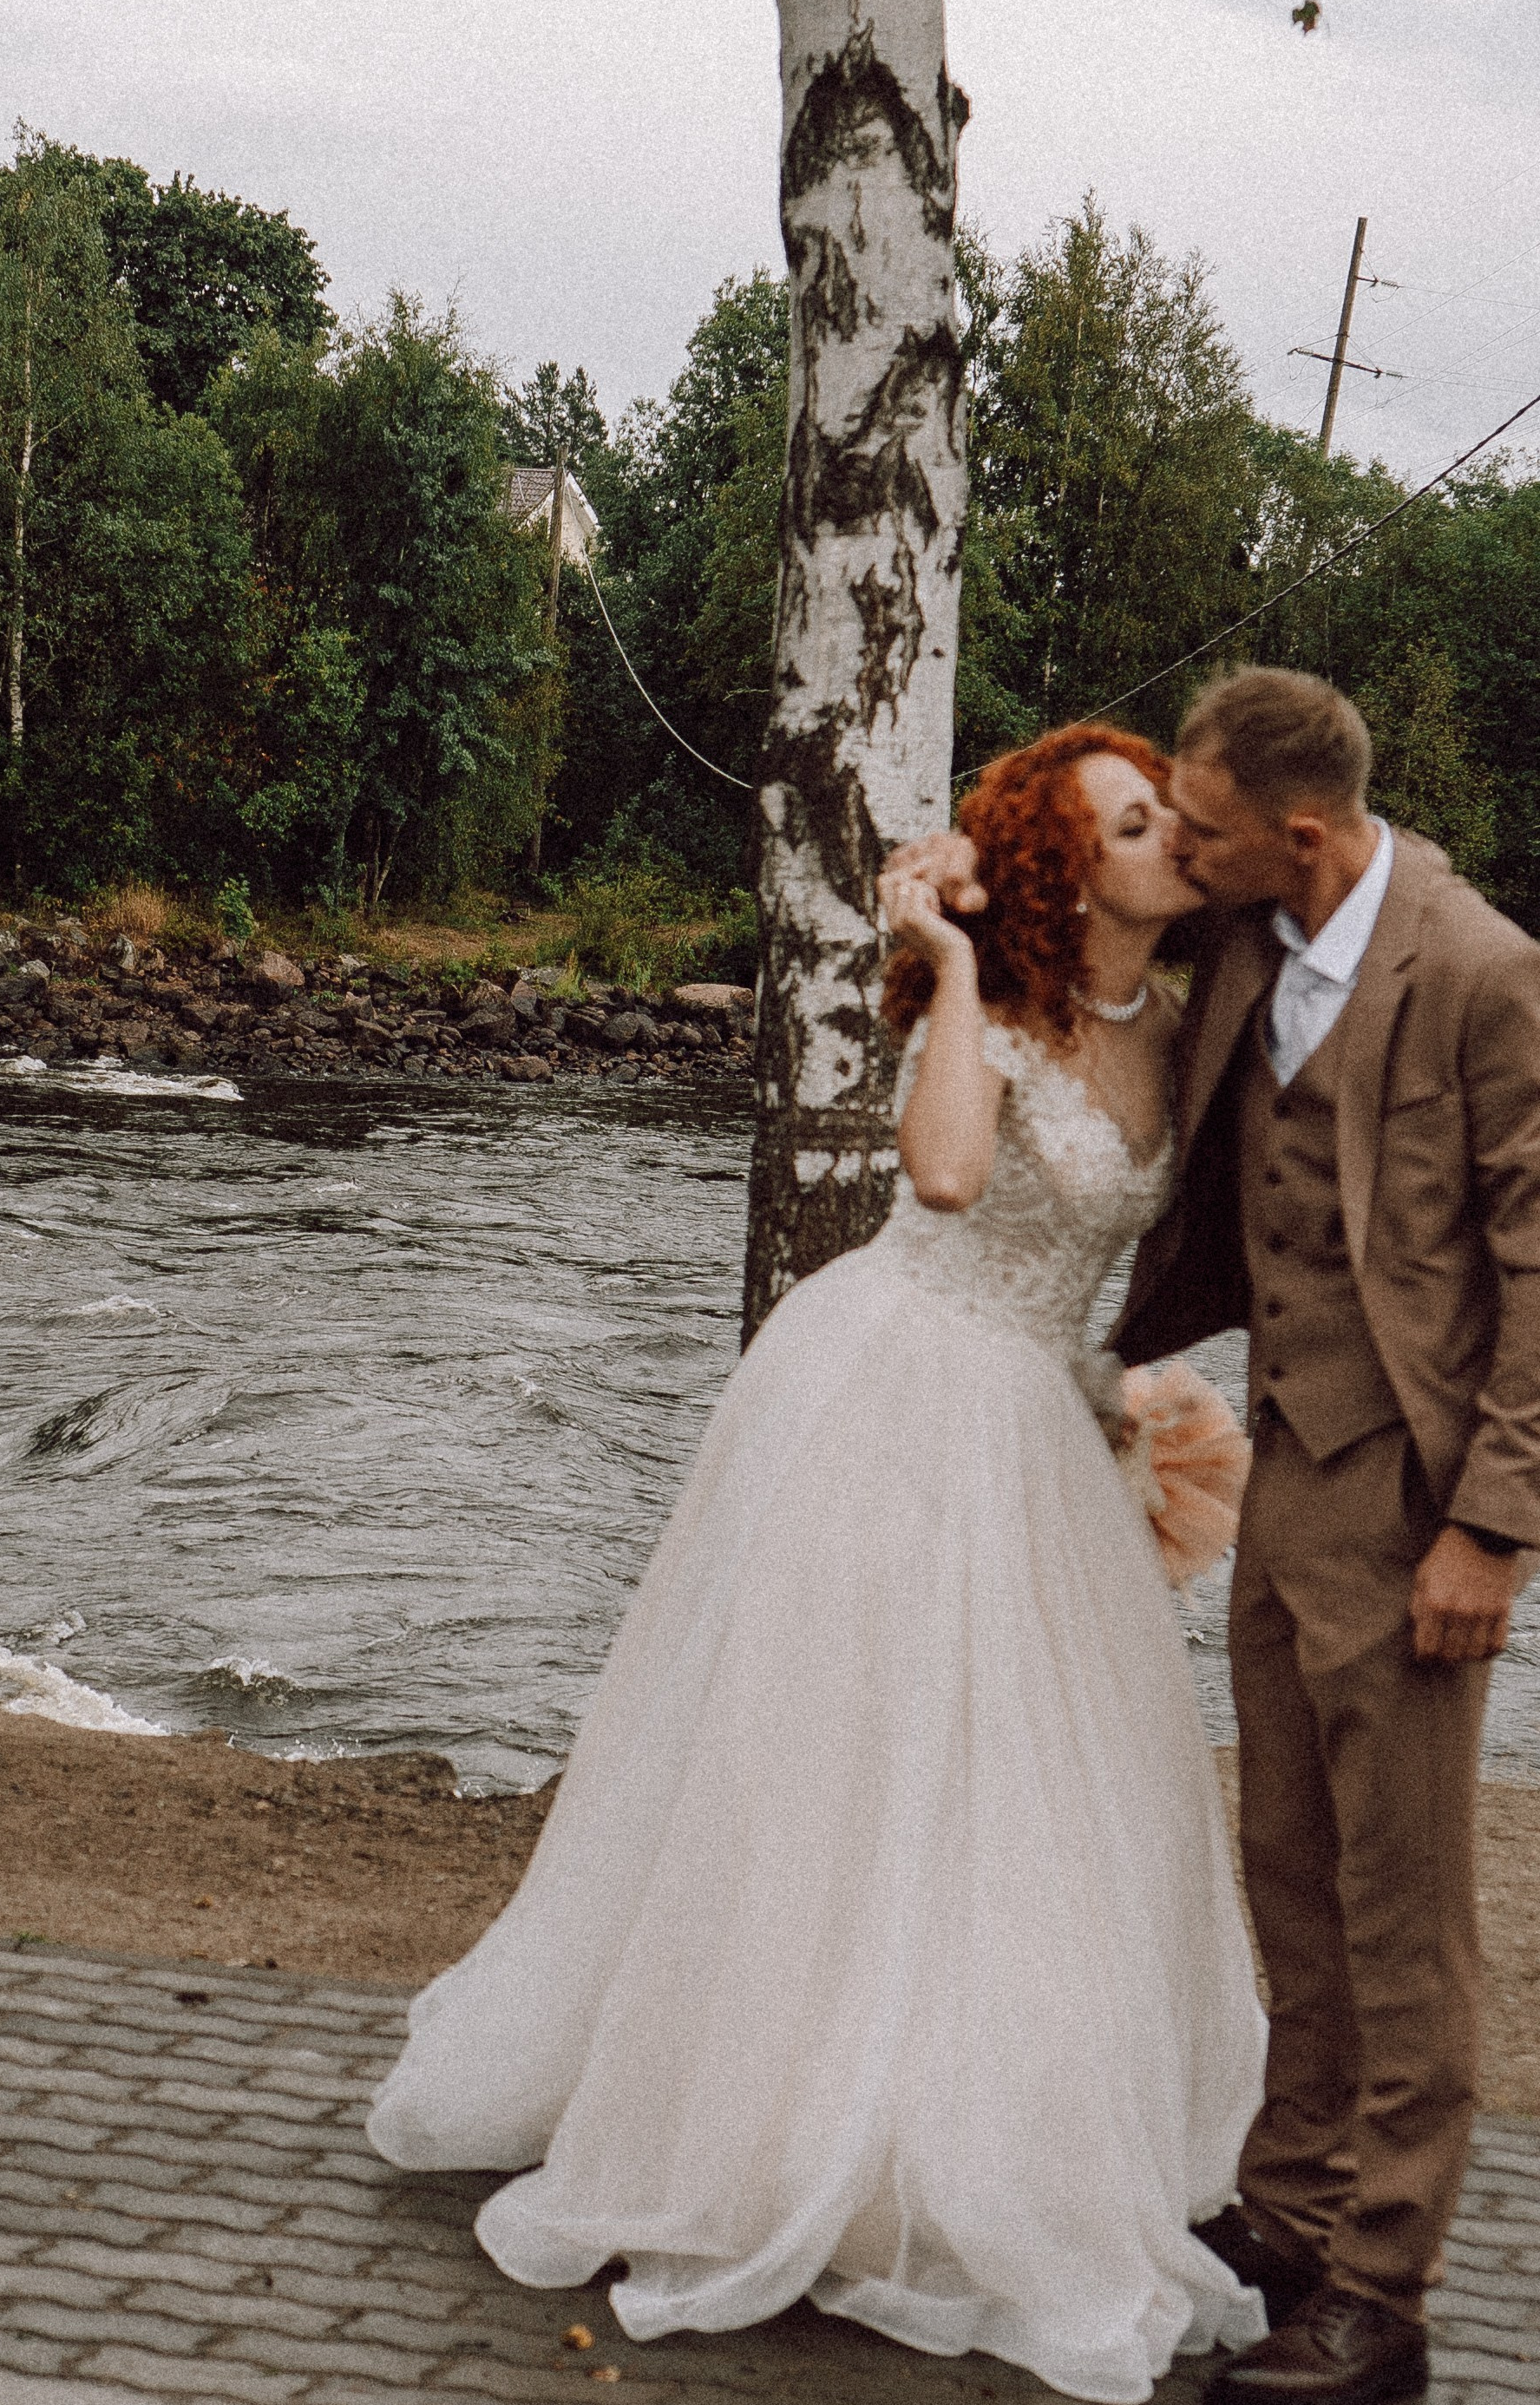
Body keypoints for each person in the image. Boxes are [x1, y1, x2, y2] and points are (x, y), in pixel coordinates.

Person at [368, 724, 1268, 2405]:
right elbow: (944, 1176)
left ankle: (981, 2120)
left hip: (1038, 1415)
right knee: (848, 1766)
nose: (1172, 841)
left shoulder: (1183, 1020)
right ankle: (787, 2128)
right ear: (1067, 871)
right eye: (1137, 824)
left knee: (1033, 1792)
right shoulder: (987, 1008)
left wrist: (1118, 1391)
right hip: (896, 1387)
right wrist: (947, 955)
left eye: (1165, 818)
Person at [885, 666, 1540, 2405]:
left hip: (1415, 1507)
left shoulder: (1480, 972)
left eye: (1202, 824)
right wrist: (938, 876)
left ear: (1296, 835)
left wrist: (1492, 1527)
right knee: (1289, 1877)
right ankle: (1289, 2212)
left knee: (1403, 1916)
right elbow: (1051, 891)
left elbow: (1538, 1265)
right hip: (1282, 1475)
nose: (1178, 844)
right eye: (1163, 820)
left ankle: (1382, 2296)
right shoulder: (1248, 937)